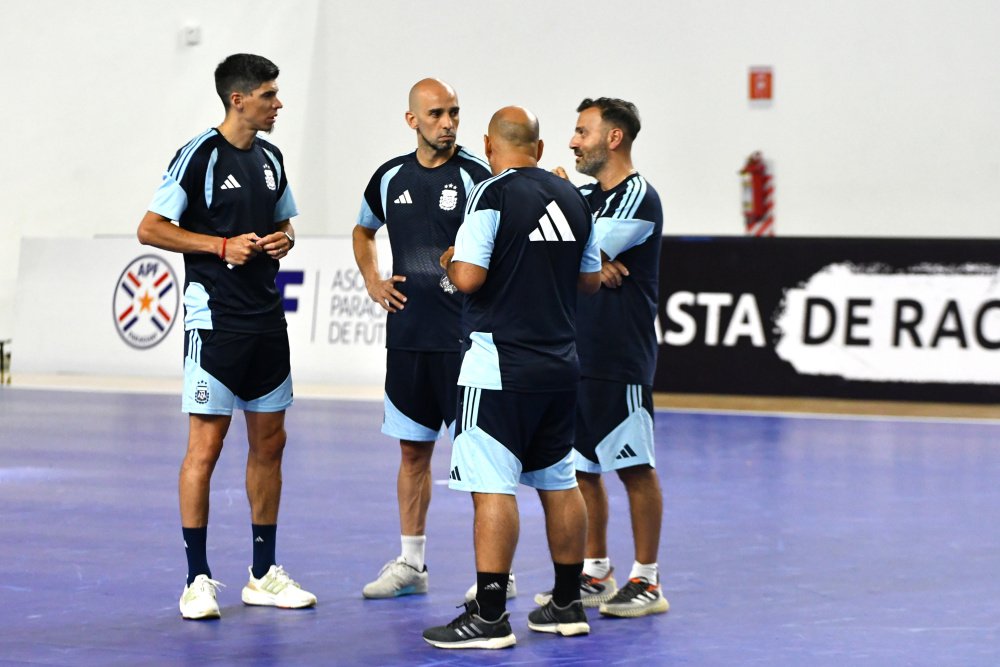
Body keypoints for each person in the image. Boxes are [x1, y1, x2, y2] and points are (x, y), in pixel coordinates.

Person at [137, 53, 316, 620]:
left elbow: (285, 220)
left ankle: (262, 574)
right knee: (206, 449)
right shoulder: (199, 155)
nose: (278, 103)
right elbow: (150, 228)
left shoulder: (271, 156)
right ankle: (196, 579)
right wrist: (218, 246)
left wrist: (283, 240)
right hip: (214, 324)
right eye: (269, 95)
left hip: (268, 321)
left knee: (270, 444)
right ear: (238, 99)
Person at [422, 106, 602, 649]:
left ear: (489, 145)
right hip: (558, 367)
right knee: (559, 481)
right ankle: (567, 604)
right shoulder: (575, 198)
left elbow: (471, 278)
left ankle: (491, 615)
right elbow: (591, 281)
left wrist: (451, 260)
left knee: (491, 486)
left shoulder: (492, 193)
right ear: (541, 149)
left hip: (497, 365)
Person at [353, 79, 518, 600]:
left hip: (467, 344)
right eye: (437, 114)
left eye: (454, 113)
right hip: (407, 340)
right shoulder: (388, 177)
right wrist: (372, 279)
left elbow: (511, 237)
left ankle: (498, 576)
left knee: (478, 461)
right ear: (412, 121)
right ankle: (411, 564)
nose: (447, 123)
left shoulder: (478, 176)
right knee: (412, 454)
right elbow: (363, 230)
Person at [534, 97, 669, 618]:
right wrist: (591, 259)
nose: (572, 141)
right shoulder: (585, 198)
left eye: (581, 131)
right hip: (576, 354)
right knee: (583, 469)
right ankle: (595, 572)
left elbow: (565, 249)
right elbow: (557, 249)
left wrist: (582, 253)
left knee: (635, 467)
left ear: (613, 139)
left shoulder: (638, 196)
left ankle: (649, 581)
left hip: (619, 356)